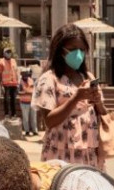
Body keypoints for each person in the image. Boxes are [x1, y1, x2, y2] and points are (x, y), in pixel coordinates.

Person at [32, 23, 107, 169]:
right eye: (73, 49)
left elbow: (103, 113)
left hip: (89, 152)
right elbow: (49, 121)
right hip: (60, 154)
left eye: (82, 49)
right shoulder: (49, 79)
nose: (78, 54)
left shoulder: (88, 76)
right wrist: (75, 98)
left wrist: (98, 102)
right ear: (60, 51)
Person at [0, 47, 19, 119]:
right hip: (6, 84)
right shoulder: (1, 62)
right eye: (7, 52)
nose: (9, 53)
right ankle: (6, 114)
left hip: (14, 83)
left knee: (13, 100)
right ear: (4, 53)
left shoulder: (13, 61)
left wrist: (17, 82)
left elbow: (16, 71)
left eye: (10, 52)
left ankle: (13, 114)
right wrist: (1, 85)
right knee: (6, 100)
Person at [19, 70, 38, 136]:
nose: (26, 77)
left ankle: (34, 131)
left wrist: (27, 91)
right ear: (22, 76)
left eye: (27, 75)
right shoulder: (20, 82)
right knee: (25, 118)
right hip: (24, 103)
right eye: (25, 75)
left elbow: (33, 90)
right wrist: (26, 92)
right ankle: (27, 131)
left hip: (32, 102)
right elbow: (19, 92)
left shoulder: (30, 80)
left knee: (33, 117)